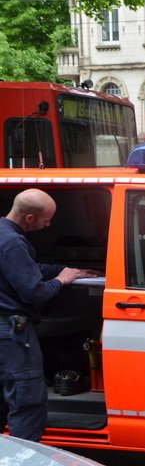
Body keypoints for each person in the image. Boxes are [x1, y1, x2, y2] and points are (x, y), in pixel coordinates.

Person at [0, 189, 96, 440]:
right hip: (12, 333)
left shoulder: (4, 235)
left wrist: (64, 269)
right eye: (47, 219)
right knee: (27, 402)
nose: (49, 224)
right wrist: (61, 281)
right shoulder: (13, 243)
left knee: (5, 398)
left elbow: (25, 268)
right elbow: (35, 292)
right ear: (30, 218)